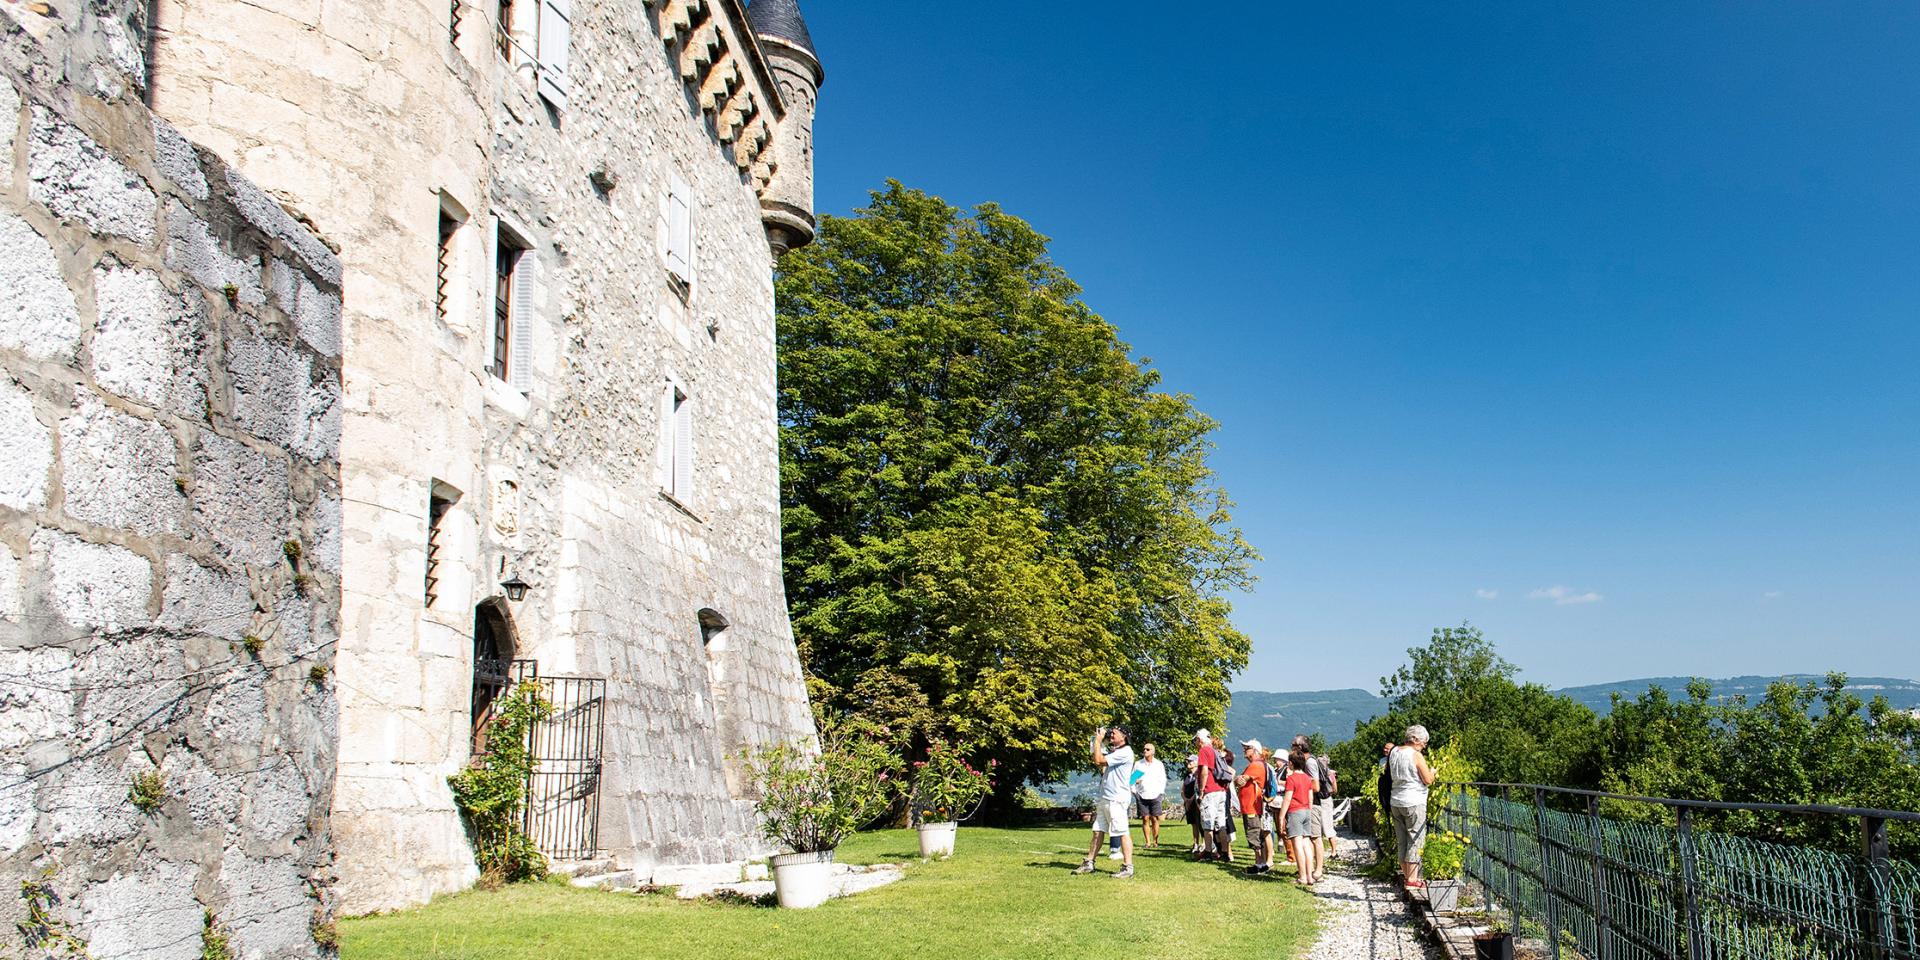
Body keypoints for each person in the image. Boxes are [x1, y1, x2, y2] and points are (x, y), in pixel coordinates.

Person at [1074, 725, 1136, 878]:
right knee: (1097, 831)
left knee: (1122, 832)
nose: (1112, 735)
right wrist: (1097, 742)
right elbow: (1097, 756)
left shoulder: (1125, 752)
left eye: (1115, 733)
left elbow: (1098, 760)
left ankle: (1128, 867)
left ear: (1124, 737)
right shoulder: (1116, 752)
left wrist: (1098, 740)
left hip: (1117, 798)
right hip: (1106, 798)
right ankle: (1089, 862)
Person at [1388, 724, 1438, 888]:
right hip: (1413, 801)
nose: (1424, 745)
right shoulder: (1415, 755)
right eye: (1424, 742)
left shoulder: (1394, 751)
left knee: (1401, 839)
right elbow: (1428, 780)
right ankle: (1412, 879)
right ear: (1415, 740)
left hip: (1395, 800)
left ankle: (1407, 875)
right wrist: (1433, 772)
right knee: (1415, 839)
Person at [1282, 747, 1324, 885]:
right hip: (1307, 811)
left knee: (1297, 845)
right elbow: (1310, 797)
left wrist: (1282, 816)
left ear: (1292, 764)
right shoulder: (1307, 778)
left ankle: (1302, 876)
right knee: (1307, 844)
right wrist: (1308, 810)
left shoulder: (1291, 779)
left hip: (1295, 812)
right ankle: (1310, 876)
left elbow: (1287, 799)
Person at [1235, 740, 1275, 874]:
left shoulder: (1256, 765)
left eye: (1247, 748)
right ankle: (1261, 863)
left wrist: (1239, 779)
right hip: (1251, 806)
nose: (1244, 750)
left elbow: (1241, 780)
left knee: (1254, 834)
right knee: (1256, 833)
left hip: (1251, 806)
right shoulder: (1256, 765)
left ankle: (1260, 864)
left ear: (1255, 750)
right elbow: (1239, 780)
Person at [1192, 728, 1230, 862]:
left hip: (1210, 791)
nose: (1196, 743)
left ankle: (1208, 851)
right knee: (1221, 823)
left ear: (1200, 739)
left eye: (1196, 740)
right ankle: (1225, 852)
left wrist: (1201, 791)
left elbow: (1204, 772)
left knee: (1207, 822)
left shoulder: (1204, 751)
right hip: (1221, 791)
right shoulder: (1216, 751)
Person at [1133, 742, 1168, 847]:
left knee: (1155, 818)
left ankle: (1155, 841)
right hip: (1142, 794)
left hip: (1155, 794)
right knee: (1145, 818)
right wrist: (1135, 792)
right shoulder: (1139, 764)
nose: (1145, 751)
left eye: (1148, 749)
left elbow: (1162, 779)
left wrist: (1160, 793)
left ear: (1153, 752)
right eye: (1144, 749)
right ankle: (1147, 842)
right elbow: (1133, 780)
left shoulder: (1158, 764)